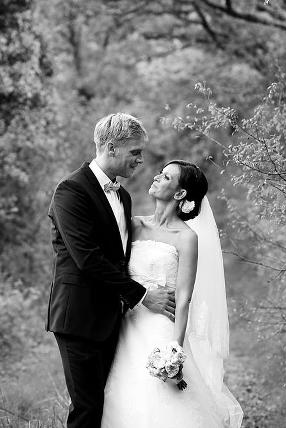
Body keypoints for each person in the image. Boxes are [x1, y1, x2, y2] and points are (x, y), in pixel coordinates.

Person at [47, 113, 176, 428]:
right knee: (87, 409)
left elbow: (120, 257)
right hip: (78, 318)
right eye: (135, 152)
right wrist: (142, 295)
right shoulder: (70, 190)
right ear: (111, 147)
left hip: (112, 318)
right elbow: (87, 258)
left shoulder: (124, 197)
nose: (140, 160)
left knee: (110, 405)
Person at [102, 160, 244, 428]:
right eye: (160, 173)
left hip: (159, 329)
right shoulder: (133, 225)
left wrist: (174, 350)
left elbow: (183, 298)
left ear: (180, 193)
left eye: (166, 177)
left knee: (160, 402)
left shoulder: (186, 237)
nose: (157, 177)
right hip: (124, 325)